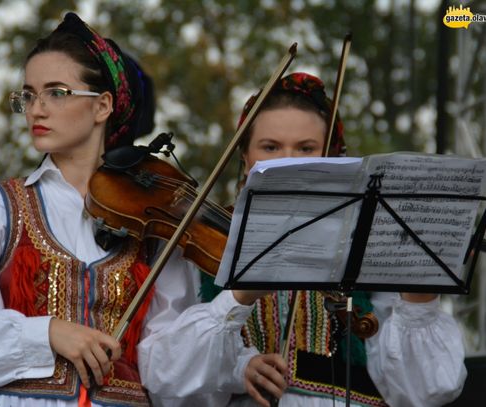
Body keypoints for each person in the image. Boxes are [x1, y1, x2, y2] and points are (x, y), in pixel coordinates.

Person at [137, 72, 468, 406]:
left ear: (332, 157)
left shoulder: (367, 245)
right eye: (270, 147)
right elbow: (161, 374)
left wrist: (419, 298)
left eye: (306, 148)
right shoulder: (197, 241)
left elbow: (428, 389)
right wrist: (236, 309)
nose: (288, 162)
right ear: (245, 158)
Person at [0, 11, 169, 407]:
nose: (36, 109)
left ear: (102, 106)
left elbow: (175, 362)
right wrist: (45, 332)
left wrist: (234, 303)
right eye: (28, 94)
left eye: (56, 93)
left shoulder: (154, 223)